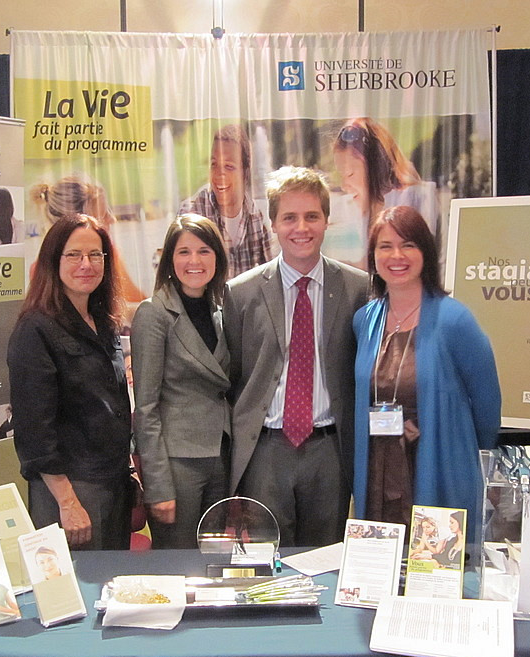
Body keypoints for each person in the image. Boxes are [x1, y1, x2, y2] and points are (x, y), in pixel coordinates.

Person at [223, 166, 368, 546]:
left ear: (326, 221)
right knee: (266, 558)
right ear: (273, 223)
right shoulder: (241, 293)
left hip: (330, 451)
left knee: (326, 558)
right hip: (265, 452)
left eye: (311, 216)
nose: (301, 228)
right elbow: (235, 376)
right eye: (289, 217)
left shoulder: (358, 289)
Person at [352, 206, 501, 533]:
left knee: (435, 557)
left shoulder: (455, 320)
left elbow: (487, 405)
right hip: (378, 468)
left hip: (438, 466)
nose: (396, 256)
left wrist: (463, 453)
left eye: (408, 245)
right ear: (373, 256)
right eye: (385, 246)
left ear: (426, 252)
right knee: (381, 558)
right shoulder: (365, 320)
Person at [7, 213, 132, 550]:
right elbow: (34, 429)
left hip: (112, 482)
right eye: (74, 255)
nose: (86, 264)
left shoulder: (104, 322)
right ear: (54, 261)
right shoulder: (35, 329)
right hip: (71, 491)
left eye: (95, 255)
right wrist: (67, 501)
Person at [131, 214, 231, 548]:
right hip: (176, 465)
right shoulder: (153, 313)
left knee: (216, 561)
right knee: (178, 563)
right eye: (184, 252)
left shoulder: (221, 309)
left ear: (217, 257)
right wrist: (158, 485)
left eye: (204, 251)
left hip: (220, 457)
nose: (194, 261)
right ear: (170, 260)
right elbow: (145, 408)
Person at [333, 117, 441, 261]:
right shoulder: (344, 209)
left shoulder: (418, 198)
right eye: (341, 175)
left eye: (349, 174)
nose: (344, 185)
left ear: (376, 168)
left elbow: (424, 259)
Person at [30, 175, 145, 305]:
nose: (112, 219)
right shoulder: (104, 255)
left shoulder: (39, 268)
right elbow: (136, 301)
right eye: (103, 215)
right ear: (78, 224)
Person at [179, 124, 272, 277]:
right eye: (214, 164)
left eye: (229, 166)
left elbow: (270, 276)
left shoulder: (257, 216)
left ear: (245, 172)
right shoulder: (191, 213)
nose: (218, 174)